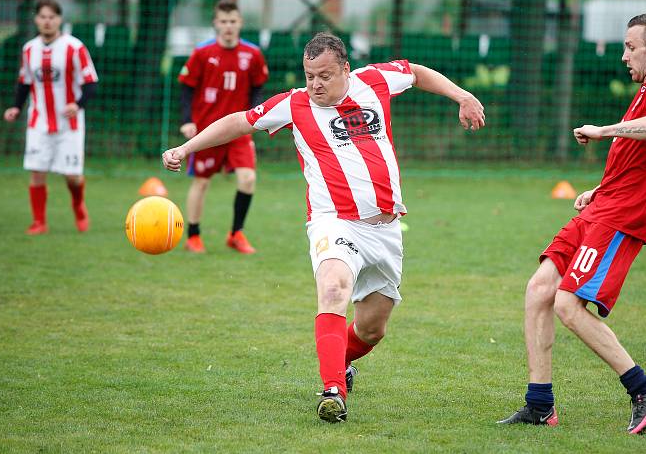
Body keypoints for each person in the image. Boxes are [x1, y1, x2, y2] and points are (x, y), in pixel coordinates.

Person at [163, 33, 485, 422]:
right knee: (333, 288)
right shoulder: (294, 104)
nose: (315, 84)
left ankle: (339, 360)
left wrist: (462, 95)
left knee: (372, 329)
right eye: (309, 75)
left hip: (384, 228)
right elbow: (239, 121)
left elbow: (415, 72)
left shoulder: (375, 80)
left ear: (346, 69)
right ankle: (333, 390)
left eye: (325, 76)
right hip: (333, 222)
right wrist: (186, 148)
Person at [498, 13, 646, 434]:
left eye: (629, 47)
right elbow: (640, 158)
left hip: (620, 218)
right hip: (602, 207)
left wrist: (603, 131)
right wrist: (599, 187)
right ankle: (539, 405)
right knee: (539, 290)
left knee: (568, 305)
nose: (624, 55)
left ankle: (644, 391)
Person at [178, 0, 269, 254]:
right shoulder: (202, 53)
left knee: (248, 178)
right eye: (223, 22)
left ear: (240, 23)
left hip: (239, 129)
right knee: (202, 182)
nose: (228, 26)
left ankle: (236, 233)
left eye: (233, 21)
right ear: (215, 24)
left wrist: (255, 116)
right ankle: (193, 236)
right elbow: (186, 88)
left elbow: (257, 86)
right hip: (207, 130)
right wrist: (187, 120)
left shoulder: (252, 54)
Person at [4, 0, 98, 234]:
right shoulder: (29, 49)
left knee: (72, 177)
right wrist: (16, 107)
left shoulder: (74, 47)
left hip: (70, 124)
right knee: (37, 172)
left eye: (52, 17)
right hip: (39, 121)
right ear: (36, 19)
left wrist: (78, 105)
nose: (47, 22)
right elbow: (24, 82)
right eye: (43, 17)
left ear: (60, 19)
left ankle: (78, 205)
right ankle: (39, 222)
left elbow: (90, 83)